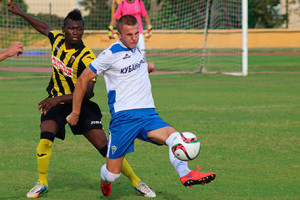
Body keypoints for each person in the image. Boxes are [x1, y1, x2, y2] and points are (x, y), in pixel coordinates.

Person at [7, 2, 155, 199]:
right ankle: (41, 183)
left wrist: (57, 98)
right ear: (64, 30)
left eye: (79, 29)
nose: (76, 32)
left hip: (81, 105)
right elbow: (43, 26)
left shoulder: (86, 56)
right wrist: (20, 12)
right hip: (56, 104)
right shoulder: (57, 39)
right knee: (45, 139)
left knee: (107, 149)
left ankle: (137, 182)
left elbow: (88, 92)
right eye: (72, 28)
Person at [67, 15, 216, 198]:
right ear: (119, 35)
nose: (134, 38)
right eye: (129, 34)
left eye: (137, 33)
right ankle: (104, 179)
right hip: (124, 118)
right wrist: (75, 112)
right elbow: (82, 79)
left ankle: (185, 174)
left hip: (147, 113)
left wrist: (146, 67)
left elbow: (130, 67)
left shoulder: (136, 46)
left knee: (174, 137)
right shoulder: (109, 54)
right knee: (113, 174)